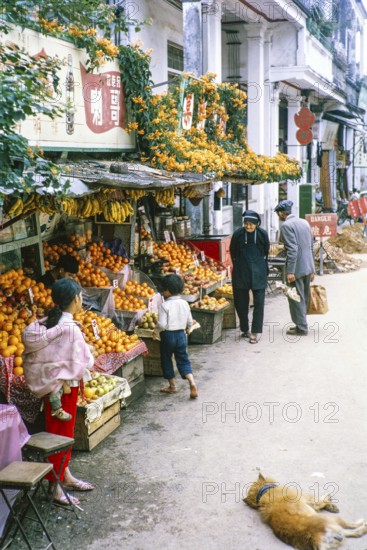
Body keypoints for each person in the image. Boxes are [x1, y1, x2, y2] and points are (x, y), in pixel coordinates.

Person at [22, 278, 94, 506]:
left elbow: (41, 356)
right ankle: (55, 487)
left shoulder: (43, 324)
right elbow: (84, 362)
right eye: (81, 296)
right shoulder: (69, 329)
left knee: (62, 434)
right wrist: (89, 351)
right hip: (64, 391)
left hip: (50, 389)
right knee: (60, 437)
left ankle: (65, 475)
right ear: (75, 299)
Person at [153, 274, 198, 399]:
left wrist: (156, 331)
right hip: (181, 335)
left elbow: (161, 324)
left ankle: (172, 386)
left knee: (166, 359)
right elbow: (190, 321)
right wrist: (188, 329)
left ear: (167, 290)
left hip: (168, 336)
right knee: (183, 359)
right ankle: (192, 382)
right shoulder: (184, 303)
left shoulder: (164, 305)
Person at [274, 200, 315, 336]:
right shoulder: (304, 222)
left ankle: (301, 328)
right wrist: (313, 268)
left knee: (295, 297)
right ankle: (302, 323)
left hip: (296, 268)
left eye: (278, 214)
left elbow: (293, 250)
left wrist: (290, 271)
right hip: (307, 266)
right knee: (304, 296)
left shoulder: (286, 226)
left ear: (281, 213)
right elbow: (310, 246)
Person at [230, 210, 270, 344]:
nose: (248, 227)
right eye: (246, 224)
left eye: (251, 224)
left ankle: (255, 332)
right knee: (240, 303)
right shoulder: (238, 234)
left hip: (259, 272)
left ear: (257, 224)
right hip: (241, 272)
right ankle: (244, 328)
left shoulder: (263, 234)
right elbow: (233, 251)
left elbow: (266, 251)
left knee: (259, 303)